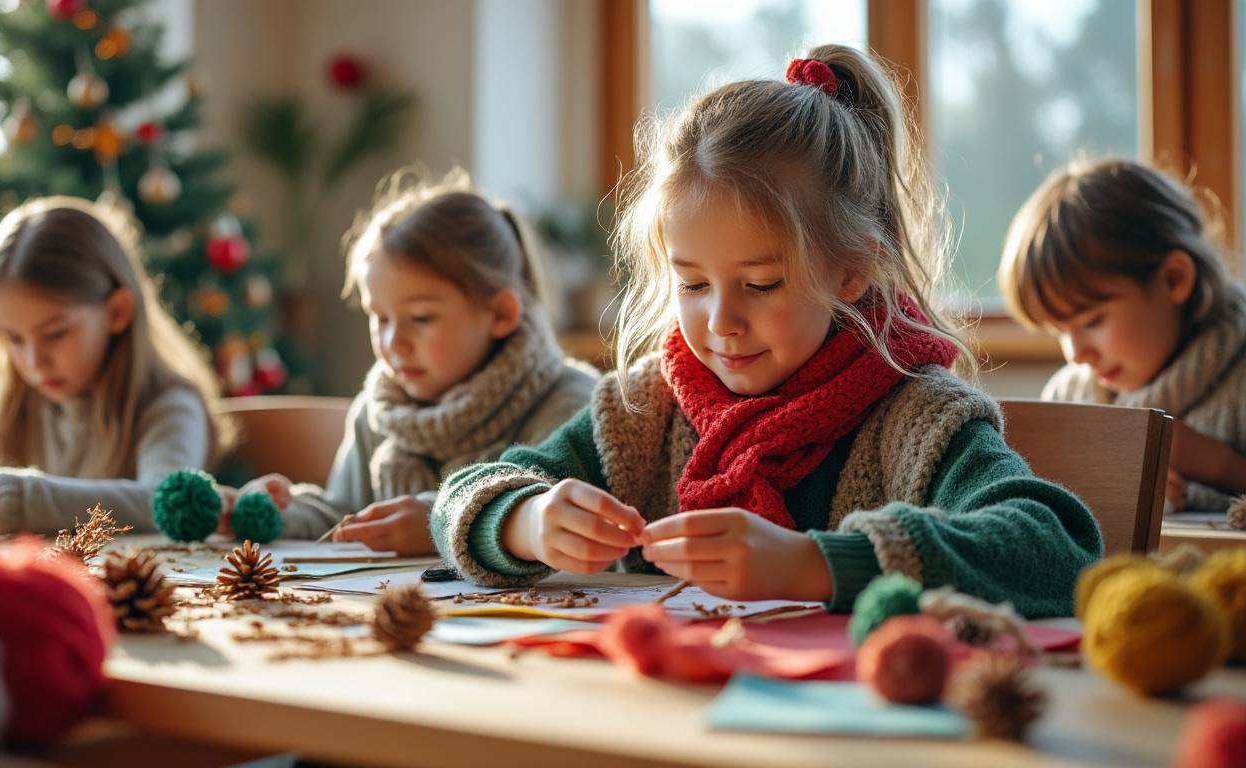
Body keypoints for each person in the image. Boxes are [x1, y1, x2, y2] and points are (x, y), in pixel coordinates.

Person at [432, 47, 1102, 617]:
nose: (721, 322)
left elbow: (1058, 550)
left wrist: (816, 565)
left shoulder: (915, 414)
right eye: (691, 285)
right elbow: (460, 498)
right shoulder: (645, 410)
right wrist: (525, 521)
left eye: (760, 285)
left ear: (852, 271)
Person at [236, 169, 596, 555]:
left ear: (501, 314)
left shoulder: (569, 404)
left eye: (421, 318)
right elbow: (345, 517)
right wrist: (280, 513)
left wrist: (439, 528)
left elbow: (562, 533)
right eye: (381, 318)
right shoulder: (379, 411)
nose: (395, 343)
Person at [0, 196, 228, 534]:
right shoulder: (16, 400)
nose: (33, 361)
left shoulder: (169, 406)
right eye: (14, 339)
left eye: (55, 334)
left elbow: (161, 501)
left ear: (117, 312)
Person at [999, 157, 1246, 511]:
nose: (1076, 354)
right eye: (1060, 331)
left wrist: (1221, 467)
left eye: (1093, 321)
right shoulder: (1069, 398)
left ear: (1174, 279)